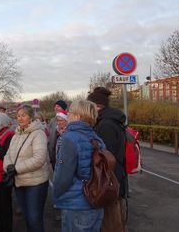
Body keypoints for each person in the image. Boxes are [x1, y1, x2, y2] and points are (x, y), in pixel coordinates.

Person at [53, 100, 105, 232]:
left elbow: (63, 176)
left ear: (78, 116)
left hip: (76, 205)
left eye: (70, 112)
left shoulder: (70, 138)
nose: (68, 114)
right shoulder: (96, 138)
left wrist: (56, 193)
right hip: (95, 201)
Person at [3, 104, 50, 232]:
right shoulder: (16, 134)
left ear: (31, 117)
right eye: (18, 116)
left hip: (36, 183)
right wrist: (8, 167)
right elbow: (8, 154)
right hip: (19, 182)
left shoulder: (38, 134)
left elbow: (39, 159)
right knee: (27, 217)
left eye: (23, 115)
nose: (20, 118)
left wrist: (16, 169)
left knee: (34, 219)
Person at [87, 87, 128, 232]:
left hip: (109, 182)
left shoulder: (105, 125)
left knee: (111, 223)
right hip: (115, 179)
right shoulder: (110, 120)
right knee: (115, 220)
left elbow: (105, 158)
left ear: (96, 106)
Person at [48, 100, 67, 169]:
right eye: (55, 106)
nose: (56, 108)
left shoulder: (68, 120)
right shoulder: (52, 120)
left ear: (63, 108)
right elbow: (49, 137)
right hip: (53, 153)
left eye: (58, 106)